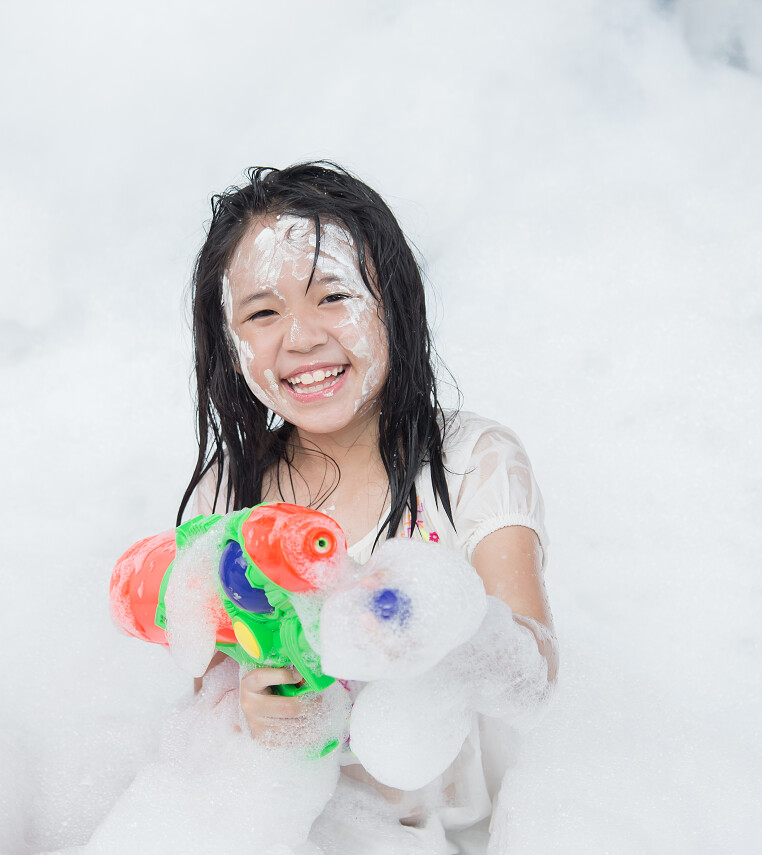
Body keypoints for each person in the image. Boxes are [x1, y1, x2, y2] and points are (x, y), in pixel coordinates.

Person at [177, 162, 557, 852]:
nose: (300, 337)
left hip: (473, 832)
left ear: (395, 303)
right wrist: (262, 715)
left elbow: (533, 678)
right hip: (310, 829)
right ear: (230, 347)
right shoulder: (226, 497)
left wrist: (439, 618)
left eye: (332, 296)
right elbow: (210, 700)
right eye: (263, 312)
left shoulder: (474, 461)